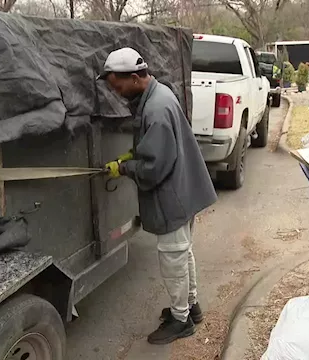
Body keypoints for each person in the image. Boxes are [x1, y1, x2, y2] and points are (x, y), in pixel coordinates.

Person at [99, 47, 217, 345]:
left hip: (172, 196)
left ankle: (181, 321)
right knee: (183, 252)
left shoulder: (156, 108)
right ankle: (190, 307)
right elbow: (158, 147)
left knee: (173, 259)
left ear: (136, 77)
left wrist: (124, 166)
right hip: (184, 189)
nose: (116, 91)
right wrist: (137, 152)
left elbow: (154, 169)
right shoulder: (158, 93)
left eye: (118, 85)